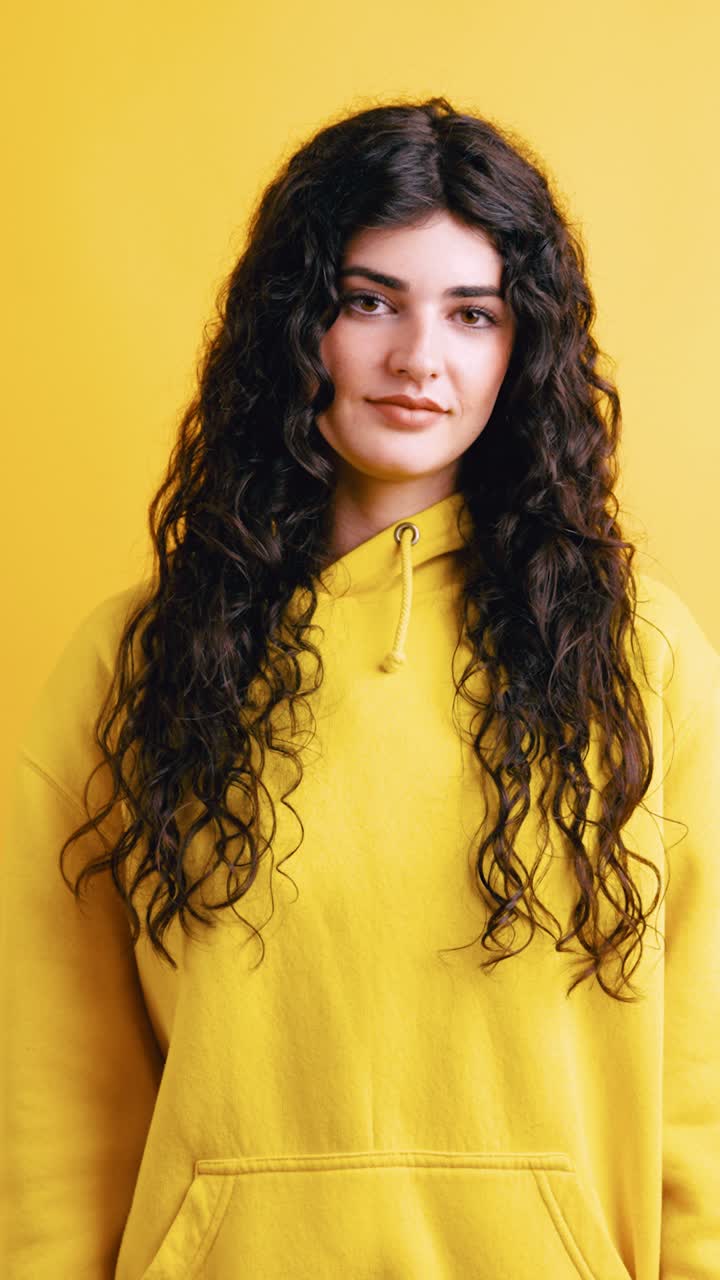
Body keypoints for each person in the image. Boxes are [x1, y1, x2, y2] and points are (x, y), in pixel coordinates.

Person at [2, 95, 719, 1279]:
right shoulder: (135, 665)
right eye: (367, 298)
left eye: (473, 312)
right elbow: (57, 1117)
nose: (418, 358)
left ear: (523, 344)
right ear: (296, 322)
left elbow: (700, 1098)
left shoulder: (639, 662)